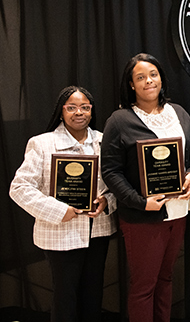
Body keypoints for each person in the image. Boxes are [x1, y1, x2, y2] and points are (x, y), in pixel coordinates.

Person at [100, 53, 190, 322]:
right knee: (144, 286)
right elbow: (110, 171)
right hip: (143, 216)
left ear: (161, 78)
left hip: (178, 211)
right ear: (131, 84)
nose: (148, 81)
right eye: (140, 77)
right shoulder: (119, 120)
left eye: (153, 75)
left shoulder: (178, 112)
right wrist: (139, 201)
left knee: (166, 279)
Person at [10, 86, 116, 322]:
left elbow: (118, 183)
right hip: (59, 231)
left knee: (94, 292)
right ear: (61, 112)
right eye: (72, 107)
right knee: (65, 295)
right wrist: (60, 210)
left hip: (97, 229)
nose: (79, 112)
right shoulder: (41, 143)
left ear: (92, 111)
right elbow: (19, 188)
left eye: (85, 107)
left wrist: (107, 201)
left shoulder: (104, 141)